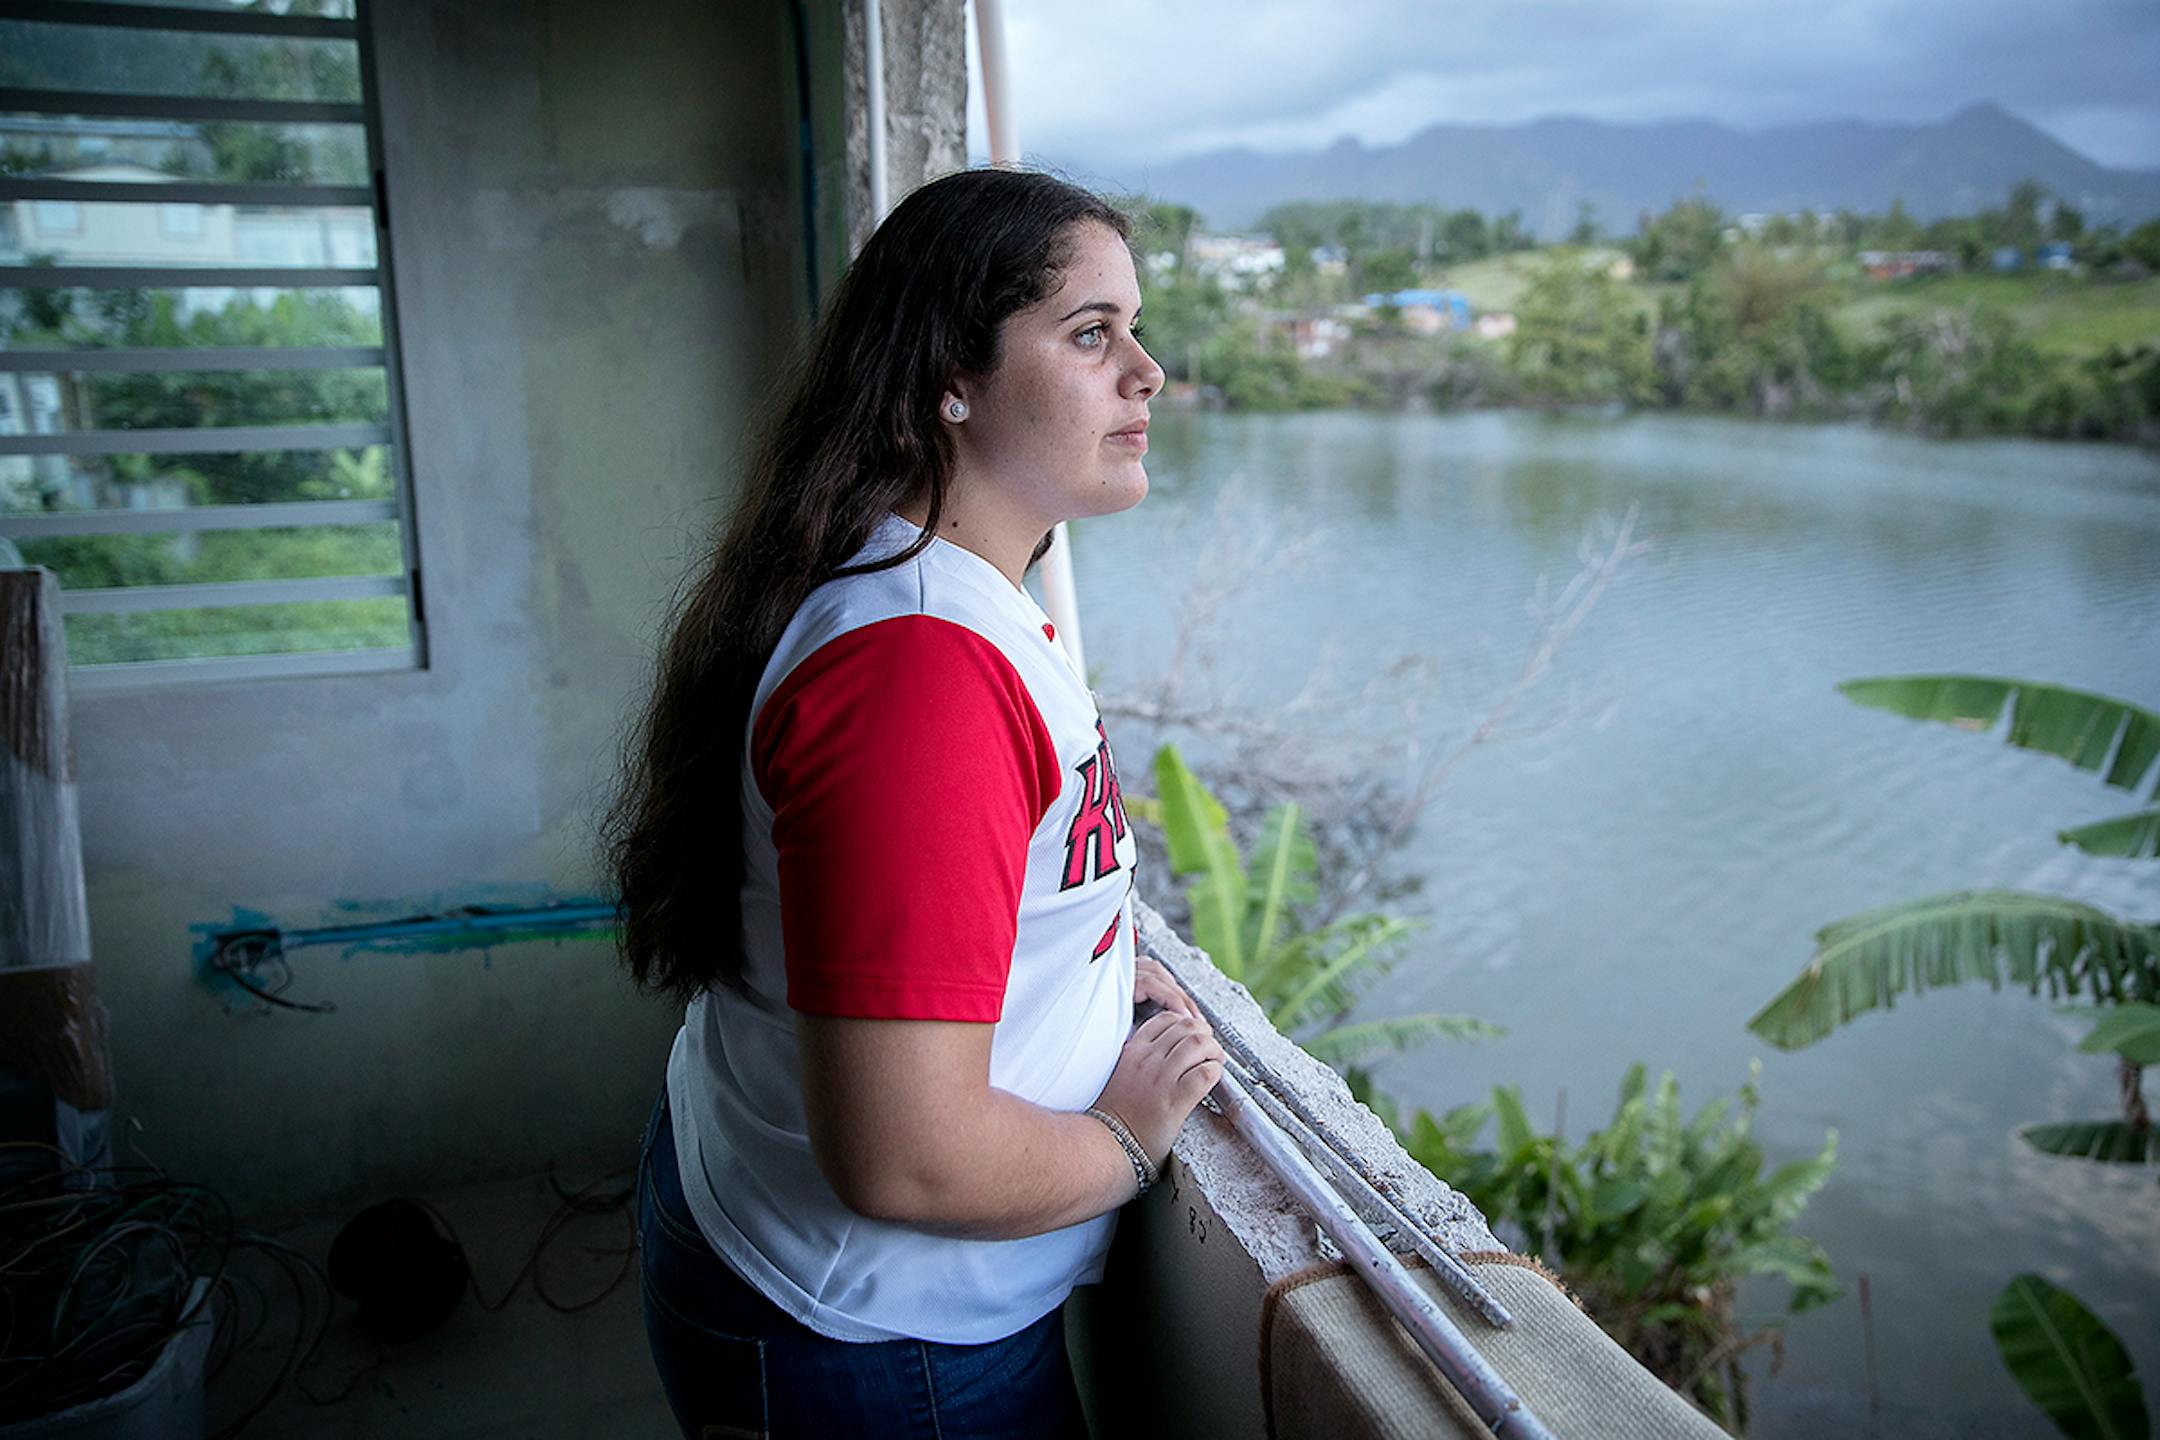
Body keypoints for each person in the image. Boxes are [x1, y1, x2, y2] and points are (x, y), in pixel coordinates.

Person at [603, 167, 1227, 1439]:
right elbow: (908, 1154)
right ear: (950, 376)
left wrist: (1098, 981)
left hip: (821, 1262)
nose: (1146, 372)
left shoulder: (952, 582)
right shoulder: (921, 671)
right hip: (883, 1345)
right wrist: (1125, 1139)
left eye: (1137, 329)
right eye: (1091, 333)